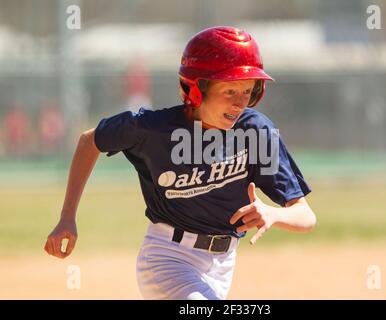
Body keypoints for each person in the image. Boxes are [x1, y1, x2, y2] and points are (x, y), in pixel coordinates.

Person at [44, 26, 317, 300]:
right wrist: (67, 217)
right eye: (230, 90)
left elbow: (305, 216)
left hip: (223, 264)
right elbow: (89, 141)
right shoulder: (153, 129)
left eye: (247, 91)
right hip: (168, 258)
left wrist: (273, 213)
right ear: (197, 88)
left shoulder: (255, 132)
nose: (239, 103)